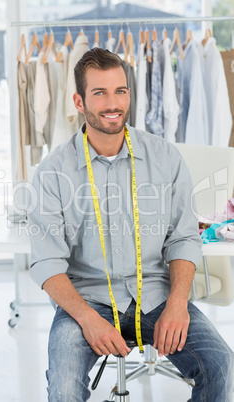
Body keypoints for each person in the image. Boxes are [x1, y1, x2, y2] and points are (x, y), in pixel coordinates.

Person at [29, 48, 234, 402]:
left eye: (120, 91)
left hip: (157, 297)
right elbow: (47, 263)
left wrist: (177, 303)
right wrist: (87, 320)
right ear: (79, 101)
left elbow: (184, 237)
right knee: (63, 389)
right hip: (86, 302)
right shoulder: (52, 172)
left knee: (221, 366)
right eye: (100, 93)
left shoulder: (165, 156)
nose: (113, 103)